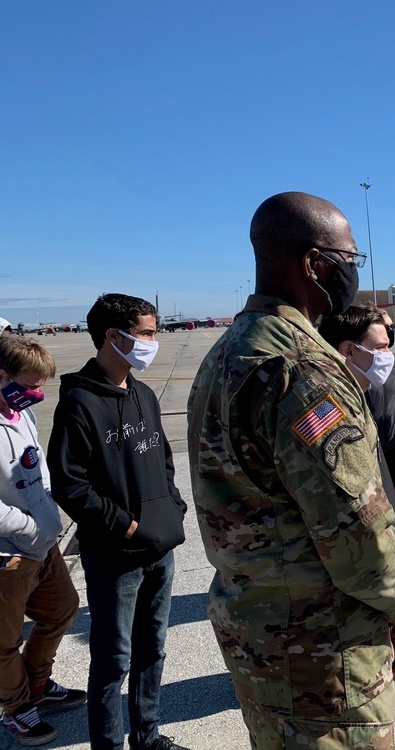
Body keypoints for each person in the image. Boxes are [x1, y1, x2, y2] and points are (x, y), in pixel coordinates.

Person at [187, 192, 395, 750]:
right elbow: (357, 528)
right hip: (322, 650)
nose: (352, 271)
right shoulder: (301, 368)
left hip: (261, 635)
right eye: (350, 258)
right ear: (313, 263)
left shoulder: (229, 352)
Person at [48, 293, 189, 750]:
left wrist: (172, 505)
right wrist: (124, 525)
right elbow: (70, 484)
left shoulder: (144, 393)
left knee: (153, 651)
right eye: (146, 333)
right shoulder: (79, 403)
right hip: (116, 557)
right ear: (114, 335)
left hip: (159, 549)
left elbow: (163, 461)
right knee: (113, 661)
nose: (153, 342)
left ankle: (147, 737)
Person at [0, 339, 85, 746]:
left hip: (43, 540)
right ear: (1, 375)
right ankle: (16, 709)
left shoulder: (20, 412)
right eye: (30, 383)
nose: (37, 392)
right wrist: (31, 529)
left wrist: (49, 516)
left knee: (62, 610)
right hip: (9, 555)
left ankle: (36, 684)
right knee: (4, 641)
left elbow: (40, 471)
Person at [318, 304, 395, 542]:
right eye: (380, 347)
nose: (388, 355)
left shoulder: (355, 401)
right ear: (349, 350)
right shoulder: (331, 411)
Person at [367, 309, 395, 498]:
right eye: (387, 327)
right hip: (370, 448)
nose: (391, 331)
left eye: (393, 327)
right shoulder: (365, 363)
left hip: (393, 442)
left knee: (393, 498)